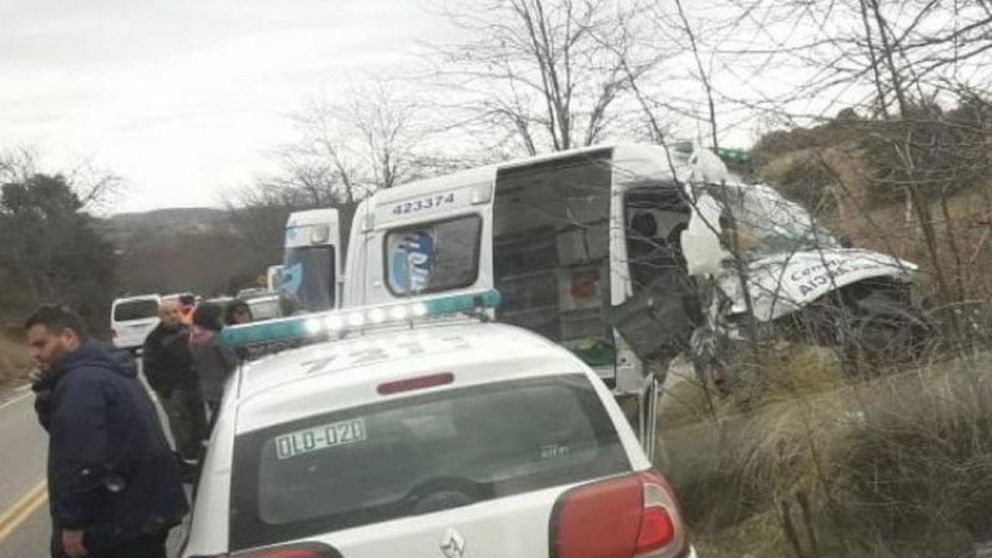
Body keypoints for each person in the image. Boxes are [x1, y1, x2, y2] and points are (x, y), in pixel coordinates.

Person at [24, 305, 188, 558]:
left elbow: (82, 459)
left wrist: (74, 523)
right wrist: (47, 393)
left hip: (116, 524)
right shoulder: (105, 367)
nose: (35, 354)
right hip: (142, 515)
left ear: (68, 337)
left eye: (40, 344)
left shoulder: (81, 383)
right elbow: (69, 428)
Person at [142, 300, 208, 465]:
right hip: (173, 392)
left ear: (180, 312)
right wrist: (164, 390)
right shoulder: (154, 339)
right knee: (182, 431)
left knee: (201, 425)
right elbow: (149, 369)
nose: (172, 316)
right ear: (160, 316)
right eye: (167, 313)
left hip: (194, 386)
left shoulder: (189, 331)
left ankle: (206, 458)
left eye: (175, 312)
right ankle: (188, 462)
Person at [189, 302, 236, 422]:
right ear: (212, 319)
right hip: (225, 387)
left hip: (207, 389)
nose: (222, 320)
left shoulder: (194, 338)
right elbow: (231, 363)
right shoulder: (216, 339)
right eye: (220, 317)